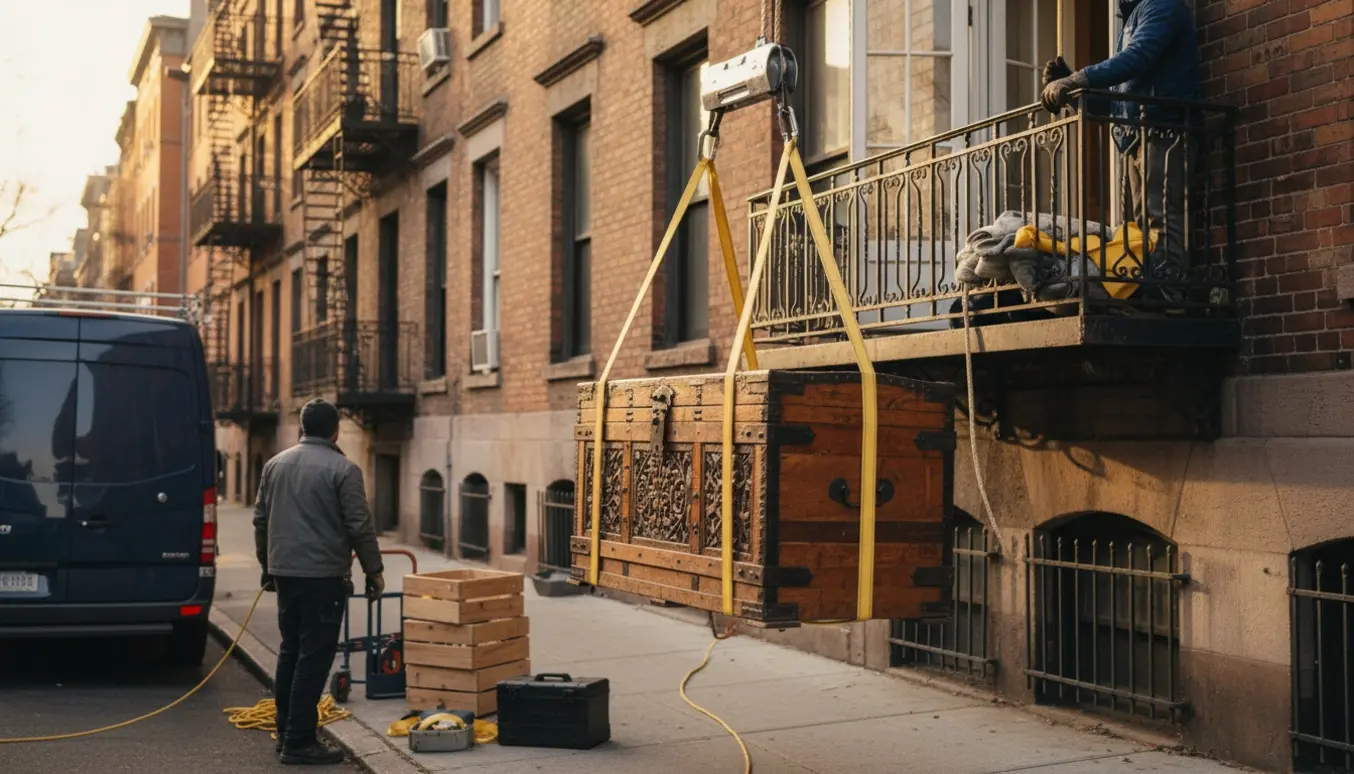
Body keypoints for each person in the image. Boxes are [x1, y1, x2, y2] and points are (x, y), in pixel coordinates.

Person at [254, 399, 384, 765]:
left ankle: (285, 732)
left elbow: (260, 520)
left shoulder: (274, 465)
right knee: (314, 656)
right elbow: (359, 525)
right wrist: (374, 571)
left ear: (301, 428)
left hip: (286, 575)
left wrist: (267, 567)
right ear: (335, 431)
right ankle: (298, 741)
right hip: (323, 578)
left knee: (290, 650)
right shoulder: (344, 469)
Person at [1039, 0, 1201, 295]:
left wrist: (1077, 79)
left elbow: (1138, 58)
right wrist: (1073, 90)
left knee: (1163, 219)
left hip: (1164, 131)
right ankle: (1152, 289)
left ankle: (1171, 292)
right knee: (1145, 225)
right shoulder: (1132, 19)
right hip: (1139, 136)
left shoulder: (1162, 6)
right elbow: (1115, 103)